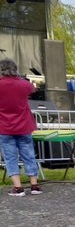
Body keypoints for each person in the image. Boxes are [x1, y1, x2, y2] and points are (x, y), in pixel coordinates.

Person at [0, 58, 43, 196]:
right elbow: (32, 89)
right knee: (29, 155)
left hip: (5, 126)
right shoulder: (24, 84)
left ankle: (18, 188)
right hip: (24, 125)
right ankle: (34, 185)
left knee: (10, 157)